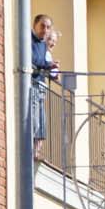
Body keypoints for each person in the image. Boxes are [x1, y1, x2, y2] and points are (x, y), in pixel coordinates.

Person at [30, 15, 59, 161]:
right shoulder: (29, 39)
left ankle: (36, 152)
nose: (45, 30)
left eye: (48, 27)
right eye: (42, 26)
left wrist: (53, 72)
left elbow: (43, 64)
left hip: (40, 86)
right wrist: (48, 66)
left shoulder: (43, 44)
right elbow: (33, 60)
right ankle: (31, 151)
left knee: (41, 121)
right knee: (34, 119)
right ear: (35, 25)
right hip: (33, 85)